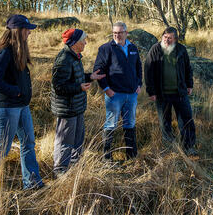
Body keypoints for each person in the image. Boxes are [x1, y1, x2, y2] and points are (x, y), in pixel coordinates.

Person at [0, 14, 44, 190]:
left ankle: (32, 183)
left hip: (22, 107)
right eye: (27, 30)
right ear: (18, 31)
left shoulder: (18, 50)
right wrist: (15, 92)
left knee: (28, 143)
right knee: (1, 149)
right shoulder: (4, 53)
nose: (29, 33)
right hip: (8, 108)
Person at [51, 28, 105, 176]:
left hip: (77, 107)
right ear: (74, 43)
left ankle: (74, 170)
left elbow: (74, 78)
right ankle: (60, 172)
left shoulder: (75, 56)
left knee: (77, 141)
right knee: (65, 142)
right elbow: (59, 86)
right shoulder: (64, 59)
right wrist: (79, 87)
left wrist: (90, 77)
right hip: (67, 109)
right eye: (83, 40)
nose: (86, 42)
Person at [93, 21, 142, 161]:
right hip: (115, 95)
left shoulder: (133, 48)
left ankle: (131, 157)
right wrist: (106, 88)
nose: (117, 35)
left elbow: (138, 67)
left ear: (126, 33)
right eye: (115, 33)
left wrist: (139, 84)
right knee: (110, 124)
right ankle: (107, 158)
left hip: (132, 94)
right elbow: (98, 70)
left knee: (130, 124)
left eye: (120, 32)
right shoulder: (106, 48)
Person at [144, 27, 197, 155]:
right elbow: (148, 71)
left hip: (180, 93)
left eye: (170, 38)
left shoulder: (181, 50)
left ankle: (188, 147)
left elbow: (187, 68)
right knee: (165, 121)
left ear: (175, 39)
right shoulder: (155, 49)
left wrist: (189, 84)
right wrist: (151, 91)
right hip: (162, 94)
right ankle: (169, 148)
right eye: (165, 37)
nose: (167, 40)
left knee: (186, 120)